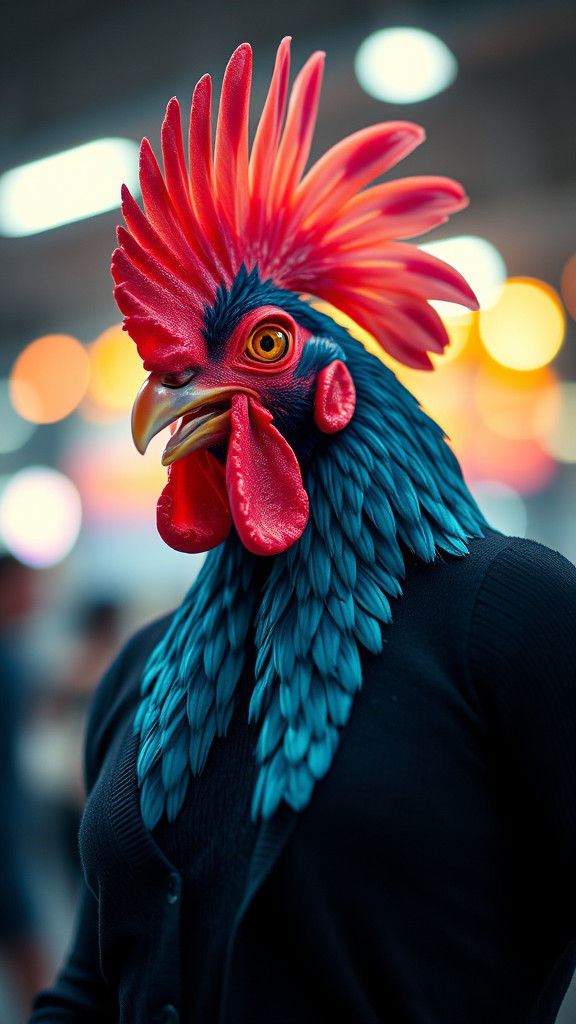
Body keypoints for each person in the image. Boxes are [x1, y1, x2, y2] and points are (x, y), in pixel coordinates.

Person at [29, 40, 576, 1024]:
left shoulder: (509, 616)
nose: (181, 389)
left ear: (336, 385)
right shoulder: (142, 675)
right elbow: (90, 984)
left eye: (264, 346)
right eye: (183, 370)